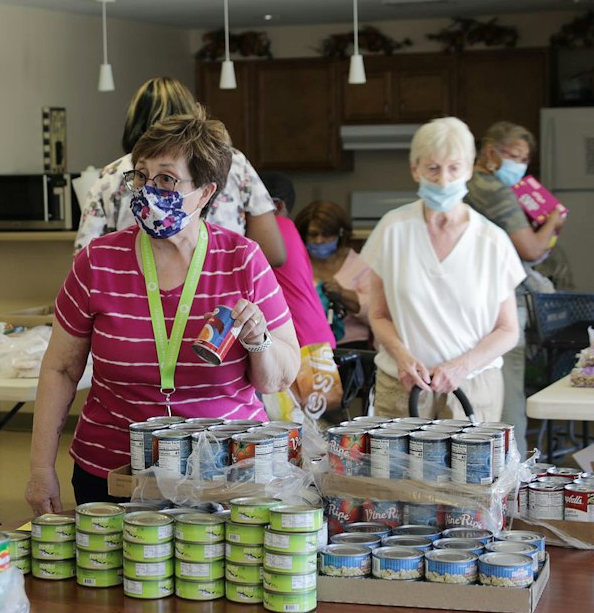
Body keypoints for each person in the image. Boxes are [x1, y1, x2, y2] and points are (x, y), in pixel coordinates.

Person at [27, 112, 299, 512]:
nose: (148, 191)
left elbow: (280, 376)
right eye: (140, 176)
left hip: (226, 474)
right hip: (114, 471)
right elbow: (61, 370)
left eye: (166, 179)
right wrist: (39, 468)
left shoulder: (242, 259)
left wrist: (258, 340)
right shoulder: (97, 262)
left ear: (206, 193)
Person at [361, 117, 523, 421]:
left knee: (472, 469)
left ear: (470, 167)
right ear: (415, 169)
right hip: (403, 382)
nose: (444, 180)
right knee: (395, 469)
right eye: (433, 169)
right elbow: (379, 314)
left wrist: (462, 366)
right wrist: (402, 356)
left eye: (454, 168)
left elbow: (508, 330)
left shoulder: (492, 241)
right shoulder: (393, 230)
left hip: (474, 385)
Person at [74, 76, 287, 267]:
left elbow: (83, 259)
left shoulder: (111, 175)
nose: (149, 185)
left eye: (167, 178)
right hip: (221, 292)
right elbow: (273, 252)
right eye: (141, 176)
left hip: (132, 292)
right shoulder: (235, 164)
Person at [467, 120, 567, 455]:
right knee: (508, 396)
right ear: (491, 151)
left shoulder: (463, 182)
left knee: (473, 390)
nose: (519, 165)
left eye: (525, 159)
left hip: (466, 302)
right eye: (514, 155)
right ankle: (514, 472)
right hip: (502, 303)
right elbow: (532, 250)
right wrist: (554, 220)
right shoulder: (495, 190)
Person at [257, 172, 341, 421]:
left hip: (302, 345)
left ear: (277, 206)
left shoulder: (273, 230)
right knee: (316, 437)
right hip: (316, 342)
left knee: (307, 440)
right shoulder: (289, 229)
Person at [294, 200, 373, 347]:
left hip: (350, 345)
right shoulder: (297, 265)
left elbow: (375, 313)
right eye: (313, 235)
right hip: (306, 345)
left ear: (340, 234)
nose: (319, 240)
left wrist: (342, 294)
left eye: (326, 235)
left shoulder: (359, 264)